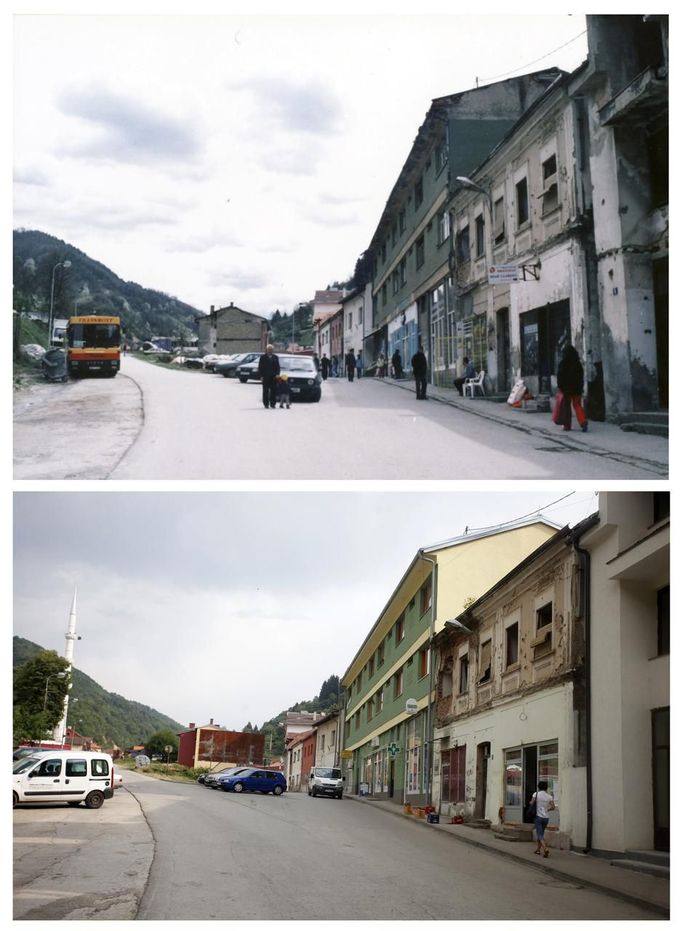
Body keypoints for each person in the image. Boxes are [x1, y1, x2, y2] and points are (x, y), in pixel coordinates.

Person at [556, 344, 588, 432]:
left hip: (566, 389)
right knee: (577, 405)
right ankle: (583, 421)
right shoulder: (578, 364)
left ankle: (567, 426)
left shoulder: (563, 363)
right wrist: (581, 387)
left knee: (567, 407)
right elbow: (581, 376)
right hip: (577, 389)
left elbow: (560, 376)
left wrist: (560, 386)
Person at [529, 780, 556, 858]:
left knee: (540, 835)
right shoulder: (549, 796)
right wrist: (547, 810)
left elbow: (531, 803)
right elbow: (553, 807)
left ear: (538, 787)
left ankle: (545, 849)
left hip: (538, 817)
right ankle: (538, 850)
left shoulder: (536, 794)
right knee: (541, 834)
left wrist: (531, 803)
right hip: (546, 818)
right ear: (546, 788)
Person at [257, 344, 280, 409]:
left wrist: (278, 374)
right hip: (265, 377)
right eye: (269, 349)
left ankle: (273, 404)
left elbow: (278, 367)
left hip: (274, 377)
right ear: (266, 350)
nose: (270, 350)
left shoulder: (276, 357)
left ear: (273, 350)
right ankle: (266, 404)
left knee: (273, 391)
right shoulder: (263, 357)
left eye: (271, 349)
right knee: (265, 391)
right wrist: (261, 376)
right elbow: (260, 367)